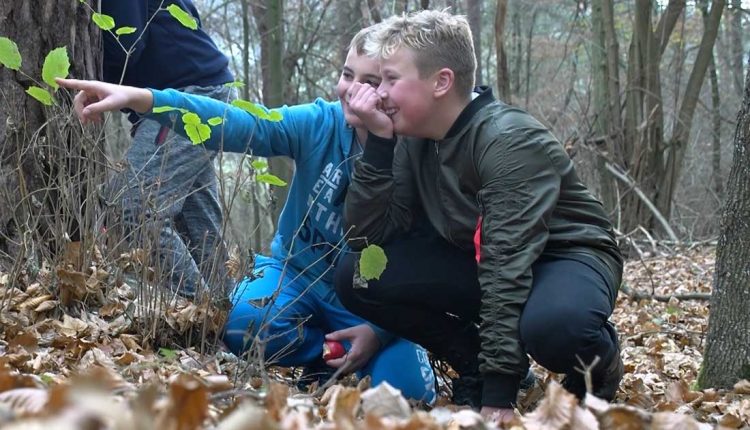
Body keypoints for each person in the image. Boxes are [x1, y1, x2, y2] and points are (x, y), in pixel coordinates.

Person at [56, 24, 437, 404]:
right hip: (294, 275)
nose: (351, 90)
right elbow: (243, 122)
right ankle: (325, 360)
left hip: (375, 305)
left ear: (393, 89)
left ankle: (360, 355)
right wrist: (143, 99)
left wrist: (378, 332)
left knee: (409, 396)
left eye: (369, 82)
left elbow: (424, 264)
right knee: (242, 324)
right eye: (347, 74)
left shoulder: (419, 152)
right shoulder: (320, 122)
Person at [334, 10, 624, 423]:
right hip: (479, 259)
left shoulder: (507, 140)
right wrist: (379, 146)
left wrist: (497, 396)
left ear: (441, 82)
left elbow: (505, 263)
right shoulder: (412, 138)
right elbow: (365, 237)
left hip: (564, 257)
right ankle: (471, 362)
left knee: (555, 329)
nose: (377, 94)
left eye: (390, 80)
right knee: (358, 274)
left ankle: (600, 361)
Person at [101, 0, 235, 298]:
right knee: (198, 227)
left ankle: (201, 315)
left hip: (189, 97)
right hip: (204, 91)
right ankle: (230, 314)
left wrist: (85, 78)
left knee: (134, 208)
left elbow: (125, 47)